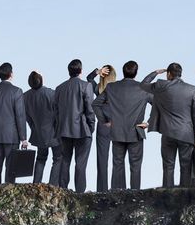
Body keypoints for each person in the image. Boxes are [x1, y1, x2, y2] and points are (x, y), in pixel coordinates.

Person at [140, 62, 195, 188]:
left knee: (168, 167)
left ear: (168, 74)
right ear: (180, 74)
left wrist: (155, 73)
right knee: (185, 167)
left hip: (167, 132)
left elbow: (142, 85)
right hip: (186, 134)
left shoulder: (161, 86)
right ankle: (184, 197)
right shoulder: (192, 90)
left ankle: (167, 198)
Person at [94, 60, 149, 189]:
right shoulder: (143, 89)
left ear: (123, 72)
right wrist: (149, 122)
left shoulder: (112, 87)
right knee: (135, 167)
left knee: (117, 165)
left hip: (117, 132)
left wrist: (105, 121)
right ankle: (135, 197)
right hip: (136, 132)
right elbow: (159, 105)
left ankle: (116, 197)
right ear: (136, 73)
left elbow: (95, 104)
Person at [52, 59, 97, 192]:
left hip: (64, 129)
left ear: (69, 71)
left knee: (65, 161)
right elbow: (90, 109)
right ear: (81, 71)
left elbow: (56, 111)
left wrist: (58, 127)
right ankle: (80, 194)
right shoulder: (86, 86)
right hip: (82, 130)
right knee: (80, 164)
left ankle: (63, 190)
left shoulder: (60, 88)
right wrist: (91, 127)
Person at [0, 62, 29, 184]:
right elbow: (20, 116)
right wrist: (23, 138)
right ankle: (8, 193)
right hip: (11, 136)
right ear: (11, 74)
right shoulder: (16, 91)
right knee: (10, 167)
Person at [23, 71, 59, 183]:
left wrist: (33, 127)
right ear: (41, 80)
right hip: (54, 132)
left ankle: (36, 183)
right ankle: (53, 185)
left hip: (38, 132)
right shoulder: (51, 93)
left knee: (40, 158)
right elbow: (58, 113)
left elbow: (26, 117)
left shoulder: (25, 96)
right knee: (58, 159)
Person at [87, 64, 117, 191]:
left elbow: (89, 78)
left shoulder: (98, 89)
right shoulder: (117, 89)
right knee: (118, 160)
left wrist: (97, 72)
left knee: (102, 160)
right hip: (117, 125)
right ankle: (117, 189)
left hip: (103, 126)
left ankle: (102, 190)